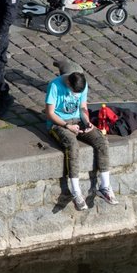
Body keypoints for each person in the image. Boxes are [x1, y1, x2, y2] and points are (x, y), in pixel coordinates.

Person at [44, 59, 118, 211]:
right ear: (68, 84)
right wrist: (67, 126)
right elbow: (50, 113)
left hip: (77, 120)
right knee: (72, 145)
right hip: (59, 123)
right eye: (74, 93)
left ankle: (104, 187)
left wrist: (87, 121)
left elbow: (83, 107)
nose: (76, 96)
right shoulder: (55, 85)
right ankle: (76, 191)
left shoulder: (82, 84)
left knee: (101, 141)